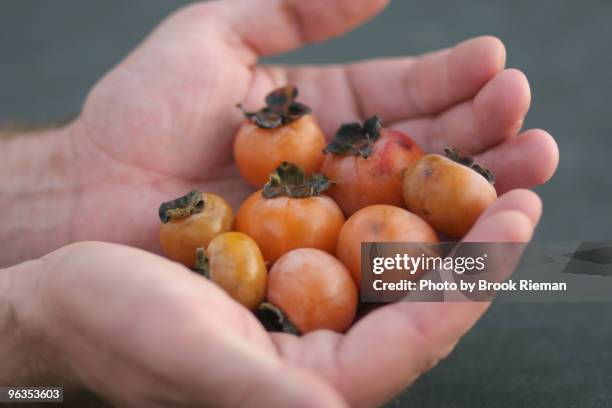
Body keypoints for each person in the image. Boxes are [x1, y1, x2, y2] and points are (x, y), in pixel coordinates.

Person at [0, 0, 559, 406]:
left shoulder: (293, 202)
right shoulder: (294, 211)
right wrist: (30, 330)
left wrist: (51, 180)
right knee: (563, 265)